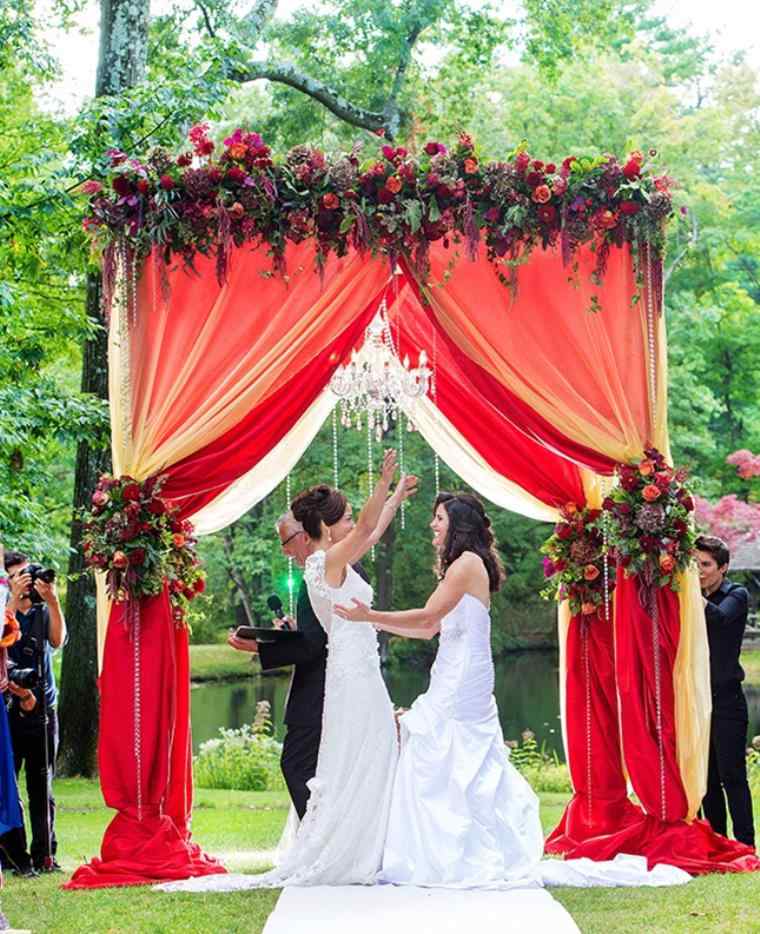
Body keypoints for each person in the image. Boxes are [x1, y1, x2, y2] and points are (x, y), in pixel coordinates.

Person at [335, 491, 544, 886]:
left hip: (463, 677)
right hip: (456, 669)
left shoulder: (466, 565)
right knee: (444, 750)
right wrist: (369, 622)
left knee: (446, 748)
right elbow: (429, 629)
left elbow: (428, 616)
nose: (433, 525)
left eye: (440, 518)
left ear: (459, 526)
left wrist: (369, 615)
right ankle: (442, 851)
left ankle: (452, 855)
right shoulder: (463, 565)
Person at [0, 550, 67, 875]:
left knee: (43, 788)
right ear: (8, 581)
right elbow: (1, 643)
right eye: (18, 576)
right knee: (8, 788)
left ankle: (46, 855)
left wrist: (52, 600)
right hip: (10, 710)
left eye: (28, 573)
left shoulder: (43, 610)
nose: (26, 580)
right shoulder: (5, 611)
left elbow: (58, 640)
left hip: (44, 711)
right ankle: (15, 858)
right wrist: (11, 600)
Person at [696, 535, 755, 849]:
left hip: (728, 702)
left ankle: (746, 845)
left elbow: (718, 619)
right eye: (694, 564)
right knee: (706, 780)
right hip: (699, 702)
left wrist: (690, 592)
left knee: (733, 776)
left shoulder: (737, 594)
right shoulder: (692, 600)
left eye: (705, 565)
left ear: (723, 567)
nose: (699, 571)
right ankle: (718, 843)